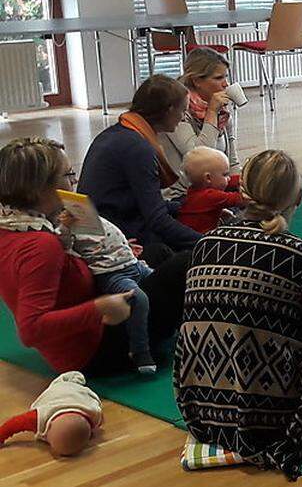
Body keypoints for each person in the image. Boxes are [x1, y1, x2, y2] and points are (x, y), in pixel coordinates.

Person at [174, 150, 302, 474]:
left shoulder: (205, 243)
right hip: (278, 415)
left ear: (243, 193)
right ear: (298, 195)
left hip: (200, 407)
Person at [0, 137, 188, 375]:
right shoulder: (41, 245)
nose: (74, 181)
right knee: (185, 263)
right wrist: (99, 308)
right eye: (67, 175)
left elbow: (58, 275)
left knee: (157, 252)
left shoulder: (15, 226)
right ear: (39, 188)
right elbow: (31, 329)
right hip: (93, 350)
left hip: (79, 333)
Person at [77, 74, 200, 251]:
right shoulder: (138, 148)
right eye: (182, 111)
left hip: (105, 224)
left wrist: (190, 205)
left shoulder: (118, 133)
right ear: (169, 110)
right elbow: (158, 220)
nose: (183, 118)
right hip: (120, 236)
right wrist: (209, 242)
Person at [59, 211, 157, 374]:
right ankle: (140, 350)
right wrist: (65, 226)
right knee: (138, 299)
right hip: (111, 273)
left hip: (132, 263)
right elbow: (63, 245)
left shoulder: (87, 213)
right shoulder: (62, 227)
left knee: (163, 277)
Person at [160, 48, 239, 200]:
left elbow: (232, 162)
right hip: (182, 197)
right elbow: (200, 157)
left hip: (213, 187)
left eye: (226, 77)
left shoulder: (222, 113)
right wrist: (211, 113)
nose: (225, 84)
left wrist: (243, 185)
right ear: (196, 81)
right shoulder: (177, 111)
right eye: (218, 78)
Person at [177, 147, 244, 234]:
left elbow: (228, 182)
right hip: (200, 242)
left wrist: (241, 180)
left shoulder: (194, 190)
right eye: (225, 174)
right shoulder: (210, 196)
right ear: (208, 178)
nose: (228, 178)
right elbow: (241, 199)